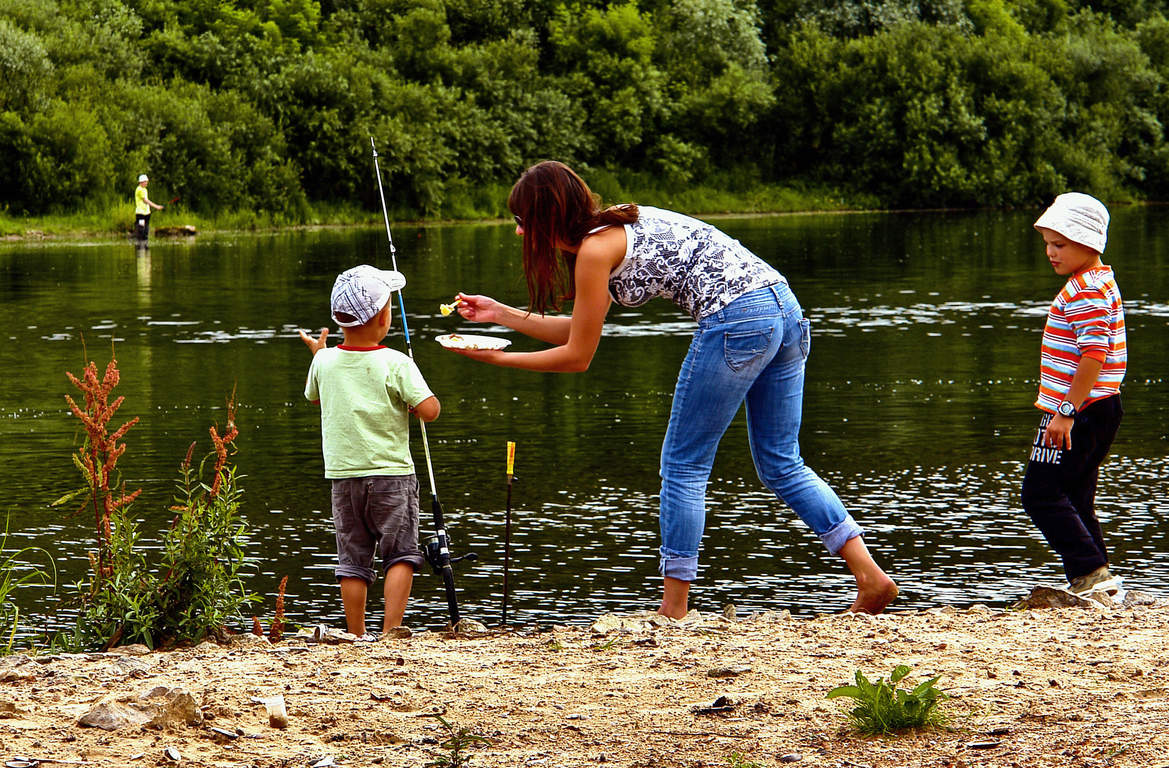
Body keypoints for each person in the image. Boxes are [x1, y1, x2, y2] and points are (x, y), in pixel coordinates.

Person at [446, 160, 897, 617]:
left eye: (523, 222)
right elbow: (578, 329)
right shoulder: (613, 225)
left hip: (738, 318)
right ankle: (871, 576)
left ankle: (673, 609)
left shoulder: (596, 250)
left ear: (546, 217)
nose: (520, 234)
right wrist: (500, 314)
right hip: (783, 307)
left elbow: (578, 356)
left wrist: (499, 358)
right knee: (782, 461)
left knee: (683, 465)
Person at [299, 265, 441, 638]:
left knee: (353, 560)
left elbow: (315, 397)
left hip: (343, 478)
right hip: (392, 475)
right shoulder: (396, 362)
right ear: (383, 316)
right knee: (400, 553)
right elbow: (430, 410)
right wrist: (414, 402)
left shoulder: (324, 361)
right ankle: (391, 630)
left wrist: (318, 352)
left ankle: (356, 634)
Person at [1023, 192, 1126, 595]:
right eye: (1048, 243)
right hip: (1098, 407)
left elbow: (1094, 354)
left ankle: (1091, 575)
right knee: (1076, 494)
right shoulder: (1099, 280)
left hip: (1080, 409)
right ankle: (1097, 581)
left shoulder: (1083, 290)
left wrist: (1065, 411)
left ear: (1090, 242)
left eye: (1060, 244)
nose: (1051, 252)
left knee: (1041, 493)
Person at [133, 174, 163, 242]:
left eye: (147, 181)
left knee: (146, 232)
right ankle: (140, 249)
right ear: (141, 182)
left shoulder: (145, 189)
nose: (146, 183)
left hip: (147, 213)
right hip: (140, 214)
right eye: (145, 181)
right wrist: (157, 206)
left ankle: (145, 250)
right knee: (141, 231)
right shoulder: (139, 189)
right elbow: (145, 201)